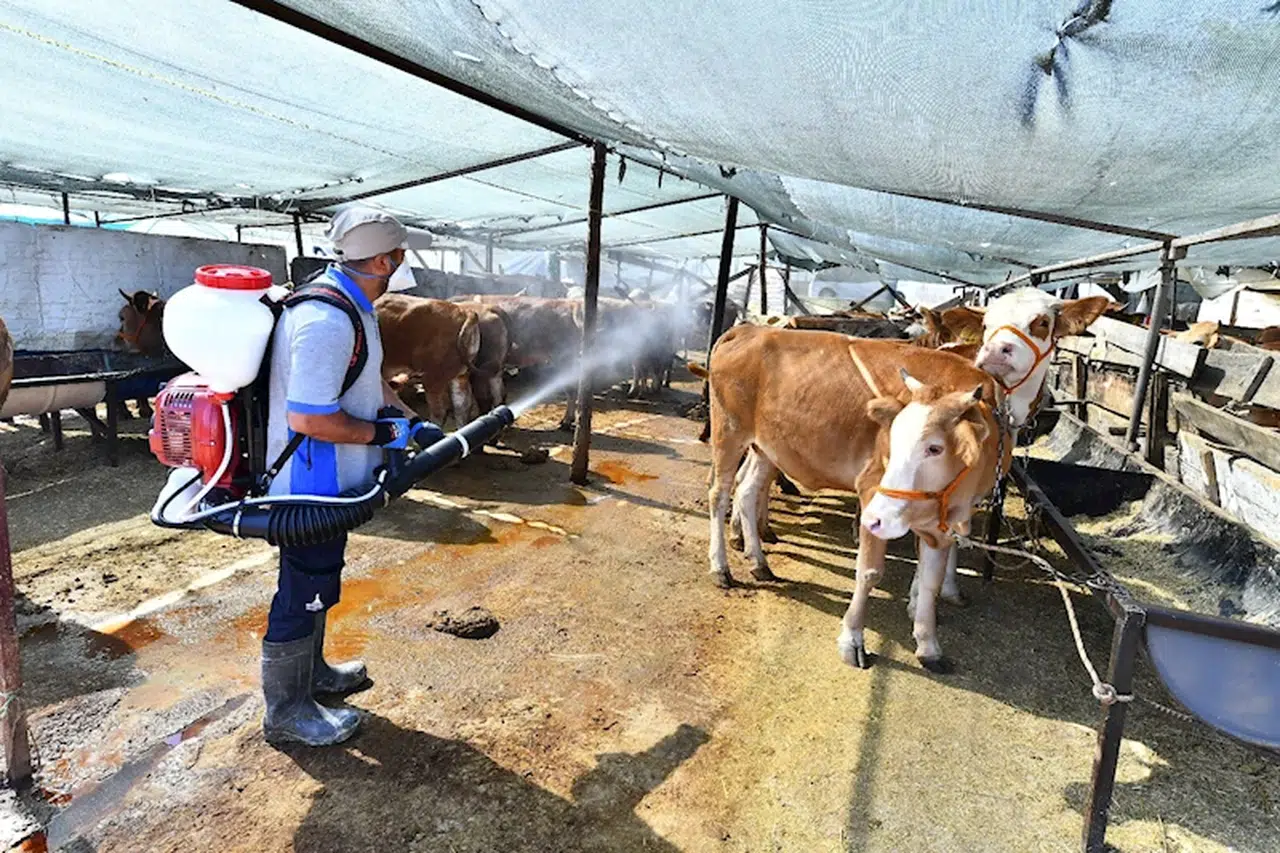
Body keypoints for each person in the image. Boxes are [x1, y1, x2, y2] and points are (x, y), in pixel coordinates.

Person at [261, 205, 441, 746]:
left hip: (334, 478)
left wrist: (410, 421)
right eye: (402, 254)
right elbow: (310, 418)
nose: (405, 263)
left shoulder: (354, 304)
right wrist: (382, 437)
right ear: (386, 259)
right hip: (306, 481)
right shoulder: (326, 319)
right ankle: (286, 711)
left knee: (320, 579)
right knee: (302, 586)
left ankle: (312, 675)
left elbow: (367, 377)